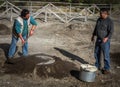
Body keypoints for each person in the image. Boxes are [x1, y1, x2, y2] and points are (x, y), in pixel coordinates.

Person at [91, 8, 114, 74]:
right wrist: (93, 35)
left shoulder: (109, 21)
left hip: (105, 41)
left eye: (102, 13)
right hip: (98, 39)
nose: (101, 14)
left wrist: (107, 38)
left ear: (106, 14)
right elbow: (96, 28)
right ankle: (97, 65)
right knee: (96, 53)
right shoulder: (99, 19)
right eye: (100, 13)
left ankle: (107, 68)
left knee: (106, 55)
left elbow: (111, 31)